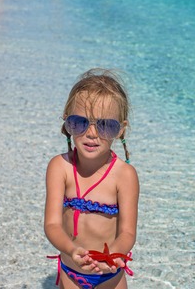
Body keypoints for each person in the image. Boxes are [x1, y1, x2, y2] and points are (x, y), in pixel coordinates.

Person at [44, 69, 140, 289]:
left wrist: (115, 254)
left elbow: (127, 232)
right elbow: (51, 224)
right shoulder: (60, 168)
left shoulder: (125, 175)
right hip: (72, 274)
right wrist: (70, 249)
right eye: (80, 122)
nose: (92, 133)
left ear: (121, 130)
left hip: (110, 277)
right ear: (67, 122)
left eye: (106, 125)